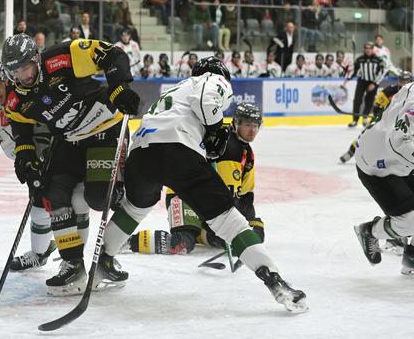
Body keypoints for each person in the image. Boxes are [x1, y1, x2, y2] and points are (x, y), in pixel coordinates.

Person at [99, 56, 307, 312]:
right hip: (177, 149)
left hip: (141, 154)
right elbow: (208, 100)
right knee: (228, 219)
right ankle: (274, 280)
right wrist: (218, 129)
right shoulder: (211, 79)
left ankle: (103, 261)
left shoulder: (176, 90)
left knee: (134, 207)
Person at [1, 33, 139, 295]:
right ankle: (72, 262)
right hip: (70, 140)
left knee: (100, 198)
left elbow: (113, 54)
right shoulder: (15, 99)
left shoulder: (62, 58)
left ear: (36, 59)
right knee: (51, 194)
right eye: (14, 70)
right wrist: (26, 158)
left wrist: (119, 87)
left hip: (105, 129)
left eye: (25, 67)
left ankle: (109, 255)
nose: (22, 75)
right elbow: (22, 130)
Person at [126, 103, 265, 255]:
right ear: (236, 123)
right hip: (184, 192)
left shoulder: (248, 155)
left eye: (256, 126)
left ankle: (200, 231)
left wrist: (251, 223)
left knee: (221, 238)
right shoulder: (218, 137)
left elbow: (245, 195)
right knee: (182, 242)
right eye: (248, 125)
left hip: (211, 202)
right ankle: (126, 242)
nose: (252, 131)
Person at [0, 57, 69, 272]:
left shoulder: (30, 94)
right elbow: (11, 150)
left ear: (5, 77)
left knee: (67, 207)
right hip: (38, 164)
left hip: (63, 157)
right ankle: (40, 254)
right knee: (39, 207)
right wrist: (27, 163)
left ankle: (72, 258)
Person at [353, 81, 414, 276]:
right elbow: (397, 141)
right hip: (377, 164)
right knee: (410, 221)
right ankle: (370, 231)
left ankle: (411, 256)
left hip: (400, 159)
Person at [340, 72, 413, 164]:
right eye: (402, 81)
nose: (404, 84)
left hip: (401, 122)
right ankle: (351, 151)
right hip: (384, 119)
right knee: (365, 134)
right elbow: (377, 107)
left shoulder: (412, 94)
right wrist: (381, 116)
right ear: (399, 81)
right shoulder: (389, 91)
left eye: (407, 81)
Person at [348, 42, 385, 128]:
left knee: (369, 100)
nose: (368, 50)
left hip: (373, 81)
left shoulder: (378, 60)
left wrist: (374, 83)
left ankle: (365, 118)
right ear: (364, 49)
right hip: (362, 81)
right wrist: (348, 75)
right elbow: (355, 71)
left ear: (372, 49)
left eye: (370, 48)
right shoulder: (359, 59)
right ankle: (355, 119)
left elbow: (382, 73)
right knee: (357, 100)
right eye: (366, 48)